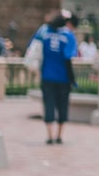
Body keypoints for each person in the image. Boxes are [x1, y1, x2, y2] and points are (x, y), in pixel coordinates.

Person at [30, 11, 78, 146]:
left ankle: (49, 135)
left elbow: (34, 48)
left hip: (47, 75)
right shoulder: (68, 35)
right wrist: (72, 79)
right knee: (63, 105)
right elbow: (68, 58)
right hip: (63, 77)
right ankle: (59, 135)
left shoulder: (43, 32)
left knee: (48, 104)